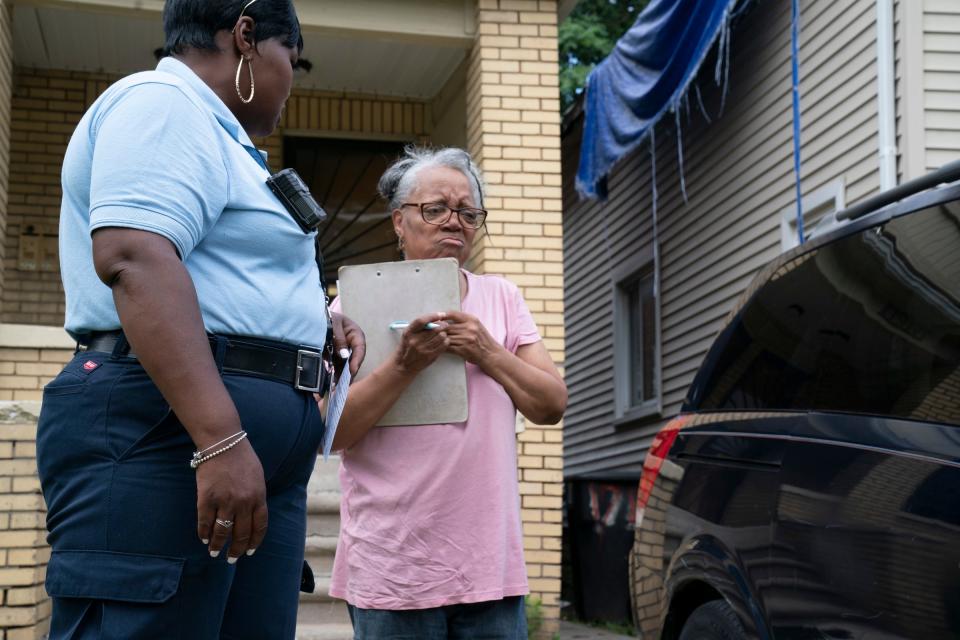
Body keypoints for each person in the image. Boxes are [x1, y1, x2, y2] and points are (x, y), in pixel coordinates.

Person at [35, 1, 364, 638]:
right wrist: (220, 440)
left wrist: (309, 322)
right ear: (245, 34)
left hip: (251, 456)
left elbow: (224, 276)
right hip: (168, 439)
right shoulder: (164, 103)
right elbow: (136, 256)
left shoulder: (224, 139)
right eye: (288, 61)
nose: (291, 82)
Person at [327, 147, 568, 639]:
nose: (452, 222)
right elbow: (330, 432)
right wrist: (404, 365)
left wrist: (487, 351)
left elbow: (551, 405)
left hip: (489, 568)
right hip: (394, 566)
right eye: (434, 209)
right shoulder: (351, 302)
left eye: (467, 212)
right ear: (399, 221)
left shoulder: (502, 297)